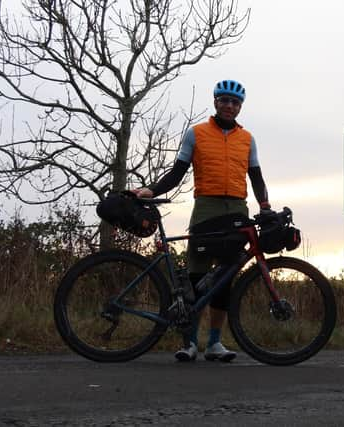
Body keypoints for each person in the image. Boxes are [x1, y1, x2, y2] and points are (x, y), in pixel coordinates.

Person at [132, 79, 271, 362]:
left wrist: (265, 205)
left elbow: (256, 177)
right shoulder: (195, 133)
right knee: (197, 275)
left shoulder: (248, 139)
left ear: (240, 106)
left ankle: (215, 344)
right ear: (216, 102)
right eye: (224, 100)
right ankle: (190, 342)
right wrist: (152, 190)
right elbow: (177, 172)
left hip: (236, 210)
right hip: (206, 208)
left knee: (225, 277)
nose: (229, 106)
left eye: (235, 102)